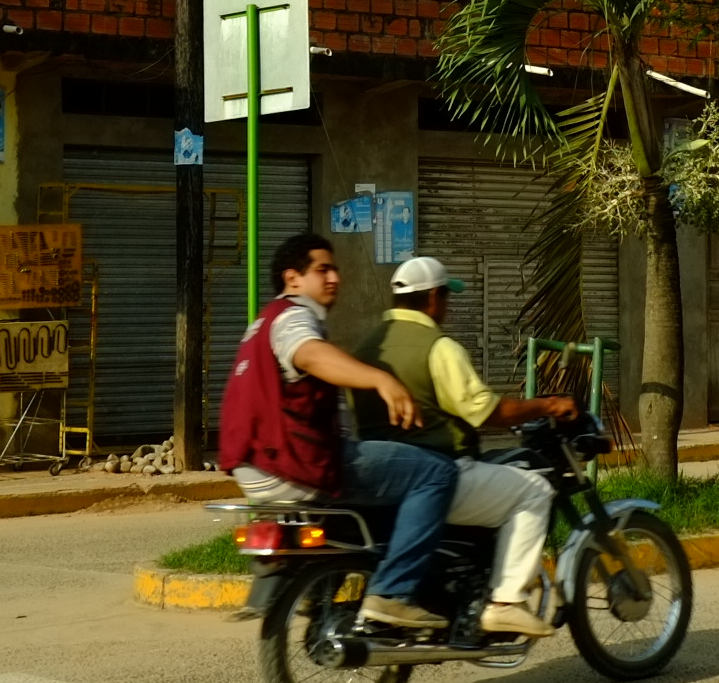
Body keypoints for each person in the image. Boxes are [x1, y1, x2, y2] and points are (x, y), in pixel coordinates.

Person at [219, 232, 458, 631]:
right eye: (323, 270)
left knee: (381, 498)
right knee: (436, 472)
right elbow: (310, 354)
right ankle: (394, 595)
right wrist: (380, 379)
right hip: (296, 463)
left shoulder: (262, 322)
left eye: (335, 270)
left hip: (257, 469)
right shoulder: (294, 317)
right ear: (292, 278)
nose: (335, 278)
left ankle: (331, 592)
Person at [349, 255, 580, 639]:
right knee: (534, 490)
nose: (448, 307)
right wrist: (549, 405)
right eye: (446, 297)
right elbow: (486, 411)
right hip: (439, 472)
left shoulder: (366, 348)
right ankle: (506, 602)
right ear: (434, 298)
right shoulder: (439, 347)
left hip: (384, 477)